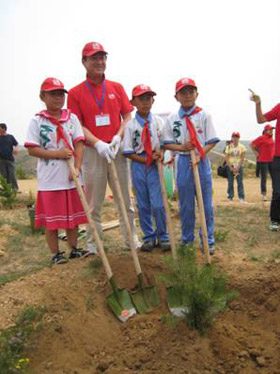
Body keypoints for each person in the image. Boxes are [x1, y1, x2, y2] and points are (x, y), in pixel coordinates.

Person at [67, 41, 139, 253]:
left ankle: (131, 239)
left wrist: (118, 137)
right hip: (93, 152)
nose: (99, 62)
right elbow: (77, 124)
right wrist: (97, 143)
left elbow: (127, 115)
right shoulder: (75, 92)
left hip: (116, 151)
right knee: (93, 203)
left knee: (125, 200)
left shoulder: (116, 87)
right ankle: (94, 244)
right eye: (94, 58)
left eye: (102, 57)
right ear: (84, 62)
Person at [24, 78, 89, 265]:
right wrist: (58, 154)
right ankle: (55, 254)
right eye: (53, 94)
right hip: (50, 179)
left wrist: (77, 168)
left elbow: (79, 143)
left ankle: (74, 249)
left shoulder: (72, 118)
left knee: (73, 218)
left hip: (71, 177)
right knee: (52, 221)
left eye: (61, 94)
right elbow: (32, 149)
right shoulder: (37, 121)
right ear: (43, 96)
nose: (58, 97)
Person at [162, 78, 219, 254]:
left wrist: (200, 152)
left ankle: (207, 240)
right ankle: (187, 240)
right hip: (183, 161)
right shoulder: (172, 119)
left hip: (201, 161)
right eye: (183, 93)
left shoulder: (204, 116)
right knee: (186, 205)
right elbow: (166, 143)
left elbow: (212, 141)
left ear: (196, 94)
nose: (187, 96)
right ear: (176, 96)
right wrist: (181, 147)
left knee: (206, 204)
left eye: (190, 92)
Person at [123, 84, 170, 252]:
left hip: (155, 165)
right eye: (141, 99)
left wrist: (161, 153)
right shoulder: (130, 125)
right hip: (139, 164)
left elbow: (164, 144)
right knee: (143, 204)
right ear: (133, 102)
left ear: (153, 100)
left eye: (148, 98)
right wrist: (145, 160)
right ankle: (149, 236)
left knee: (158, 203)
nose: (145, 102)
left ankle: (163, 235)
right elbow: (127, 151)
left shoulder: (158, 122)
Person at [250, 92, 280, 231]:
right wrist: (258, 104)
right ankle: (275, 220)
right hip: (277, 158)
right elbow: (261, 119)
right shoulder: (279, 108)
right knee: (277, 191)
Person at [250, 125, 275, 201]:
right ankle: (264, 194)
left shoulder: (272, 139)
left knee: (275, 177)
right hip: (263, 161)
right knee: (264, 178)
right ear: (266, 130)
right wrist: (256, 153)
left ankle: (275, 193)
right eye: (270, 129)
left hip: (272, 160)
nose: (271, 131)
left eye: (272, 129)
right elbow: (251, 144)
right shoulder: (262, 137)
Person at [225, 132, 246, 203]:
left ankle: (241, 198)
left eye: (236, 137)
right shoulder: (229, 147)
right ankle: (230, 197)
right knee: (230, 182)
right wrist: (230, 167)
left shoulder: (242, 147)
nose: (235, 138)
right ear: (232, 138)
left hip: (239, 166)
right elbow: (227, 158)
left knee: (240, 182)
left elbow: (242, 158)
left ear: (239, 138)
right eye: (233, 137)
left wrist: (238, 167)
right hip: (230, 166)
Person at [0, 123, 19, 191]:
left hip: (10, 159)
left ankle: (15, 189)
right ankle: (6, 190)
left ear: (3, 128)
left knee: (12, 174)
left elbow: (16, 144)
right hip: (1, 160)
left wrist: (16, 149)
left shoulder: (10, 137)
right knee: (4, 176)